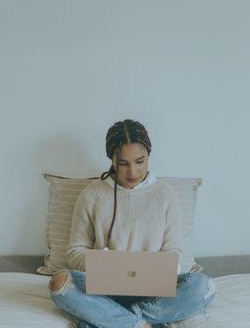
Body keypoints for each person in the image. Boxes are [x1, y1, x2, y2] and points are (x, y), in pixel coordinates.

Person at [49, 119, 215, 328]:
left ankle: (118, 319)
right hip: (104, 291)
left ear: (148, 156)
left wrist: (157, 270)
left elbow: (175, 250)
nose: (133, 172)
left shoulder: (165, 194)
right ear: (111, 159)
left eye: (140, 161)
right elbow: (74, 251)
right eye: (123, 163)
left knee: (203, 285)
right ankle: (141, 323)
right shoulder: (92, 195)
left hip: (154, 293)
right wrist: (105, 264)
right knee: (59, 284)